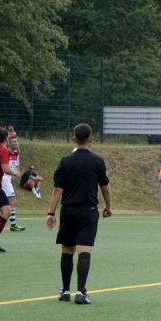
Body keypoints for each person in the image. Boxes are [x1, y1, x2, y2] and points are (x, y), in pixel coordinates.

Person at [45, 123, 112, 305]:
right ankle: (81, 293)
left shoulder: (65, 161)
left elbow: (57, 190)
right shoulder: (97, 161)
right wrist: (108, 206)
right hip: (88, 212)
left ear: (74, 138)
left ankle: (65, 291)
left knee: (67, 251)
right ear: (91, 139)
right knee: (84, 251)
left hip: (68, 211)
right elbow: (105, 187)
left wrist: (51, 213)